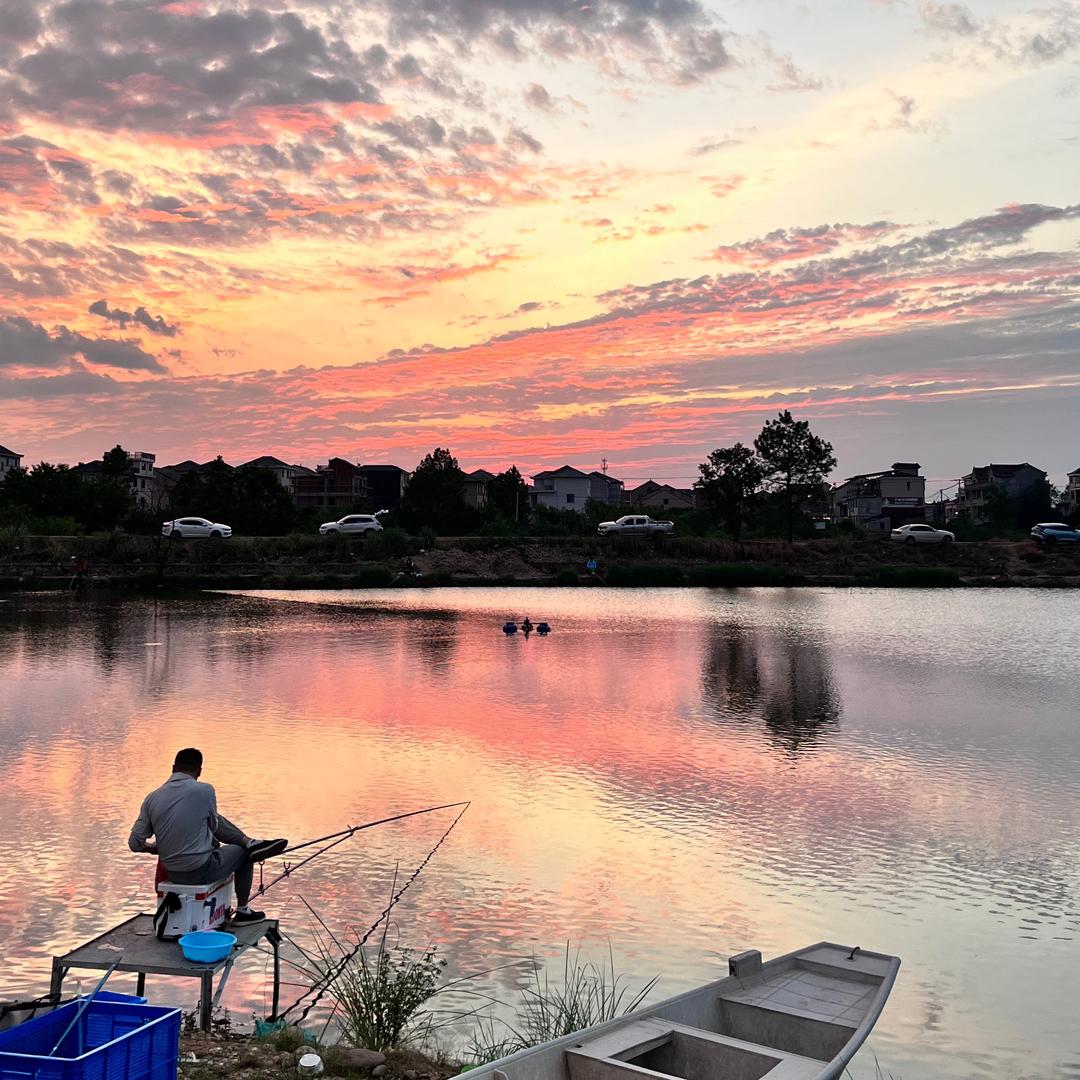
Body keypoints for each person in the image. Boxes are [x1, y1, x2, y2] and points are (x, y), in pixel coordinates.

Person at [129, 748, 287, 923]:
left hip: (173, 873)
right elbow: (214, 827)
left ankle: (251, 842)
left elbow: (135, 843)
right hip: (200, 869)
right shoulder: (204, 790)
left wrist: (154, 848)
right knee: (244, 854)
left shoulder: (152, 798)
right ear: (199, 771)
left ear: (173, 768)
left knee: (207, 817)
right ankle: (243, 910)